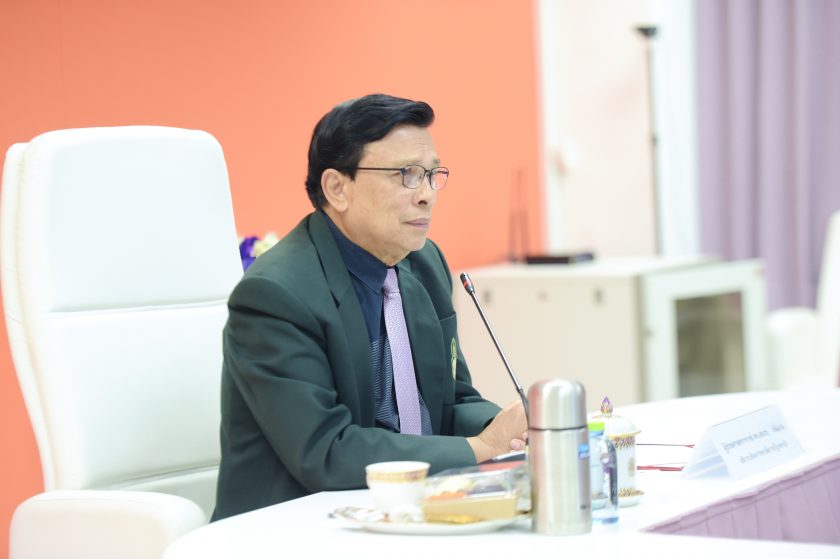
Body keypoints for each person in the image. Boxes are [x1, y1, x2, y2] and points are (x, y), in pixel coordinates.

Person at [212, 93, 527, 520]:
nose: (427, 195)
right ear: (337, 188)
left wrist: (512, 432)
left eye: (431, 174)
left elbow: (450, 400)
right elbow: (325, 450)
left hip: (401, 513)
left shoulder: (424, 263)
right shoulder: (276, 295)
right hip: (292, 526)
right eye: (406, 175)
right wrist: (480, 448)